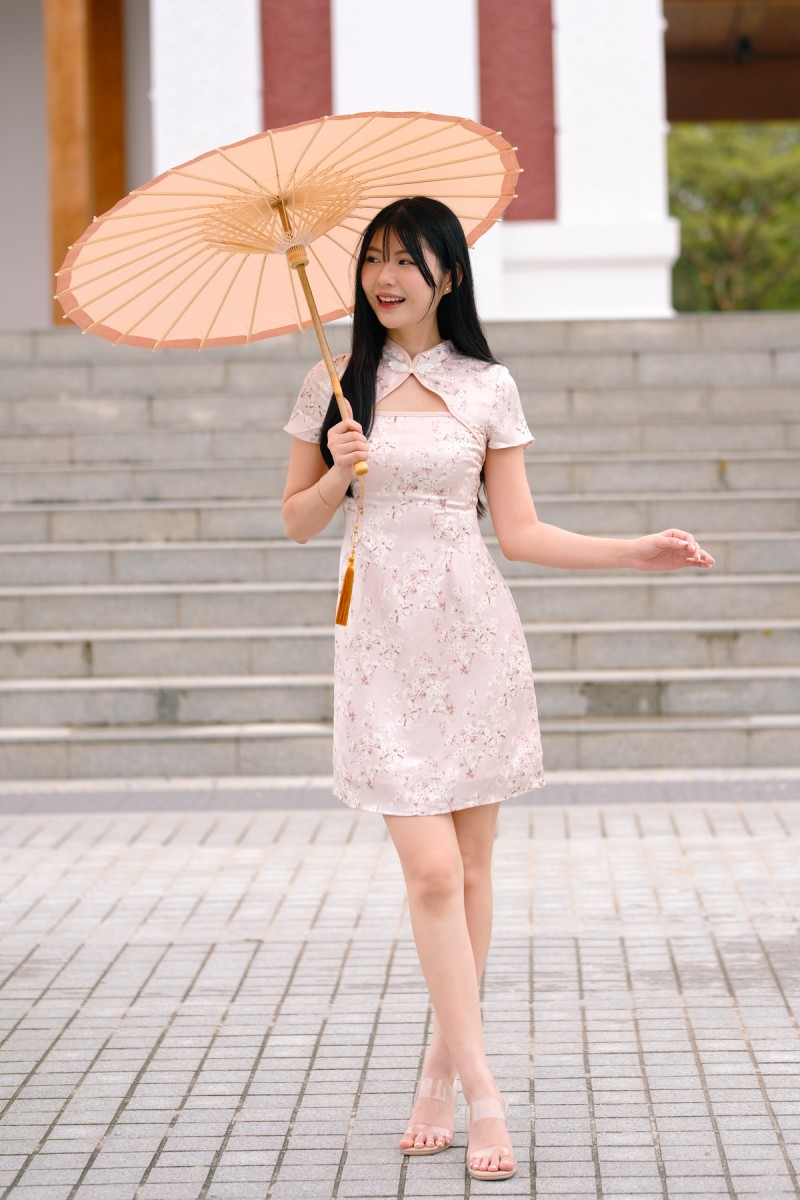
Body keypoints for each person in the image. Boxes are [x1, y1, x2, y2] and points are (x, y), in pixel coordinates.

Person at [282, 197, 714, 1181]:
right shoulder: (330, 383)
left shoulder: (487, 386)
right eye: (373, 261)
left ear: (448, 275)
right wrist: (335, 472)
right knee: (431, 873)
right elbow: (295, 524)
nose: (385, 277)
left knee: (472, 875)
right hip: (379, 643)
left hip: (473, 637)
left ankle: (439, 1069)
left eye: (407, 260)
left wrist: (633, 553)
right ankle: (487, 1092)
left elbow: (518, 532)